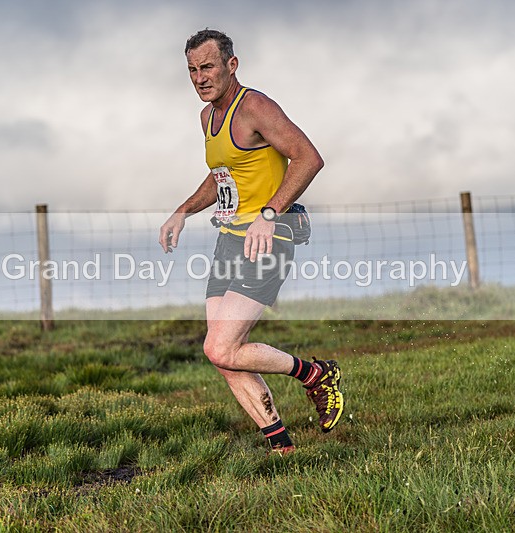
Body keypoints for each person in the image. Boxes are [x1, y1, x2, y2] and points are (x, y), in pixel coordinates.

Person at [159, 29, 343, 454]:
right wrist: (183, 210)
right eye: (191, 70)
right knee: (223, 353)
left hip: (269, 238)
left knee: (220, 346)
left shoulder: (255, 107)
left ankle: (315, 374)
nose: (199, 78)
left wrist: (269, 213)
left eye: (207, 67)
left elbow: (309, 158)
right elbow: (225, 174)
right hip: (229, 239)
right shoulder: (207, 118)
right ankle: (282, 446)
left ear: (231, 65)